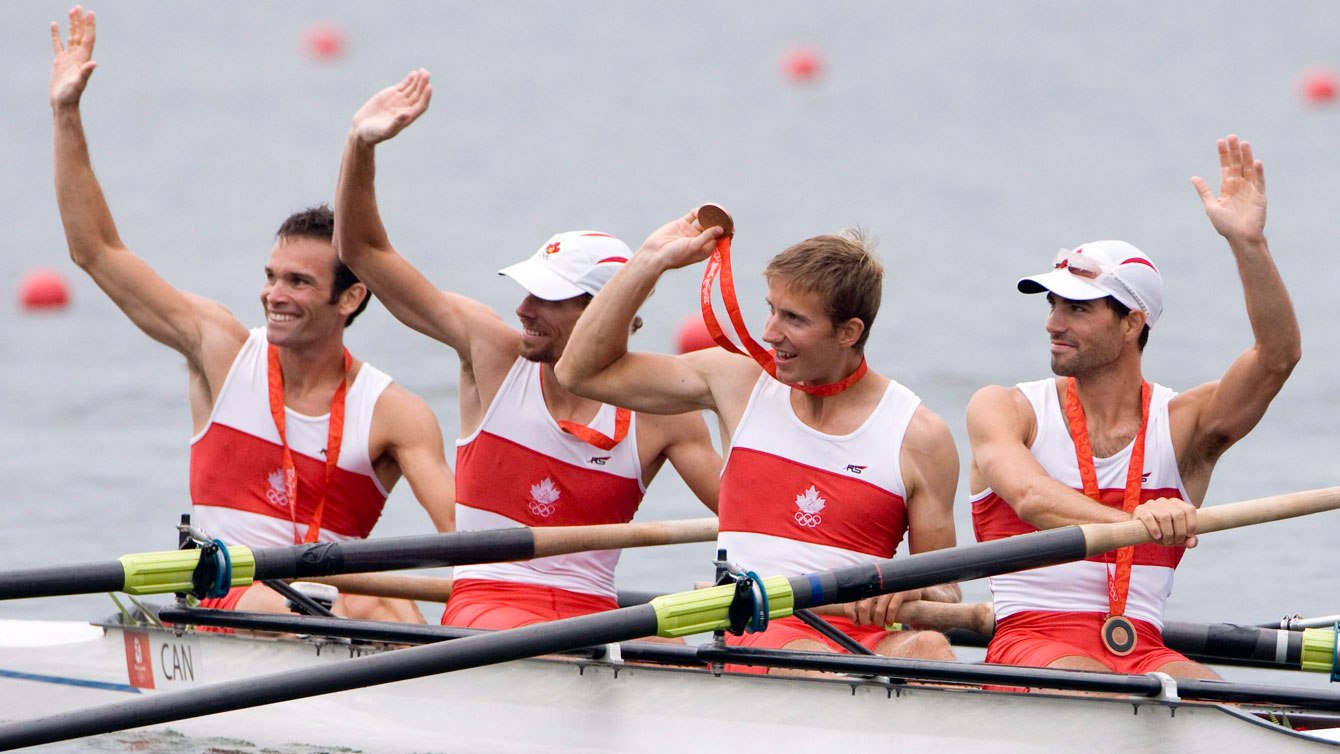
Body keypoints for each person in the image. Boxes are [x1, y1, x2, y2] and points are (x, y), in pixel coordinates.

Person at [50, 7, 455, 622]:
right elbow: (96, 252)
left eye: (298, 281)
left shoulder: (394, 413)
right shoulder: (218, 349)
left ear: (351, 297)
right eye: (271, 277)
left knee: (386, 594)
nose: (273, 296)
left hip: (334, 609)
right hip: (223, 592)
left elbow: (465, 534)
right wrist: (66, 113)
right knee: (332, 598)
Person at [333, 70, 723, 630]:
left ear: (600, 312)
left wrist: (875, 587)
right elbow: (364, 251)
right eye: (527, 290)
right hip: (483, 612)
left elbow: (751, 519)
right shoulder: (491, 352)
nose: (522, 309)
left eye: (548, 298)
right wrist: (359, 144)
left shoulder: (667, 413)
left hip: (594, 624)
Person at [555, 210, 962, 671]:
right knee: (671, 641)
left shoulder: (919, 435)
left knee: (929, 648)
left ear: (849, 332)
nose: (769, 333)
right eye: (771, 309)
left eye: (793, 319)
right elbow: (579, 372)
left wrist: (917, 587)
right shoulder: (738, 383)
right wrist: (651, 261)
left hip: (859, 642)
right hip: (750, 627)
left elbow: (946, 593)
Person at [966, 136, 1300, 678]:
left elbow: (1277, 359)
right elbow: (1029, 498)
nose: (1053, 323)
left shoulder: (1184, 424)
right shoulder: (1006, 409)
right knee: (1092, 682)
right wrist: (1138, 520)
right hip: (1032, 641)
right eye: (1053, 305)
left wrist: (1249, 245)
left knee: (1219, 696)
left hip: (1143, 648)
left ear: (1131, 323)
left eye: (1077, 308)